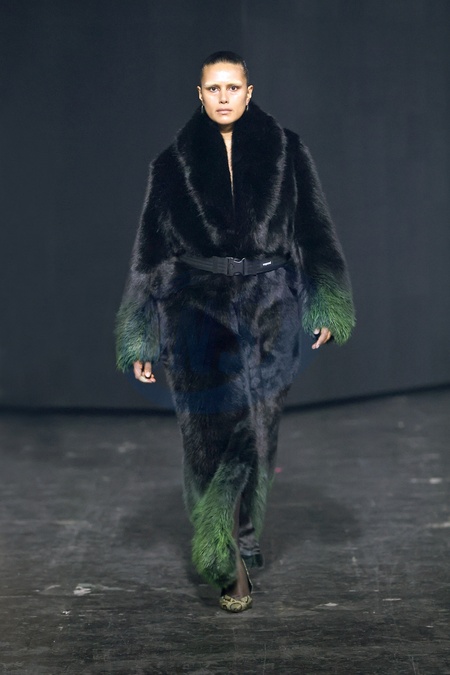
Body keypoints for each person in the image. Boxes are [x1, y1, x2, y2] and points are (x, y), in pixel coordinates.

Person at [116, 51, 355, 613]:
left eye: (232, 87)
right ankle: (225, 558)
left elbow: (314, 231)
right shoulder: (171, 164)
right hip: (194, 308)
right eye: (213, 88)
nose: (223, 97)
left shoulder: (287, 151)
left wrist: (325, 301)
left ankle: (243, 536)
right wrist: (141, 331)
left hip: (271, 306)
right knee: (207, 433)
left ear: (249, 92)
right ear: (199, 95)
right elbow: (149, 253)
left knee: (259, 429)